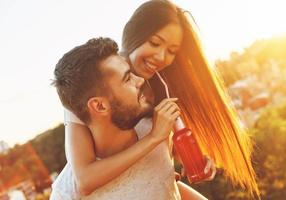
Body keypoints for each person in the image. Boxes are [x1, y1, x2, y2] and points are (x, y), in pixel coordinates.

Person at [61, 0, 259, 198]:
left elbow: (162, 159)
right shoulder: (95, 86)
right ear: (133, 35)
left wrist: (196, 160)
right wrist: (154, 138)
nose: (161, 57)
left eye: (172, 51)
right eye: (155, 43)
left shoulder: (163, 89)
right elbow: (84, 179)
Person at [51, 37, 186, 199]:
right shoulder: (66, 194)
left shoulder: (155, 131)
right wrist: (153, 138)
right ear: (99, 106)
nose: (140, 80)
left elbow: (168, 185)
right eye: (128, 78)